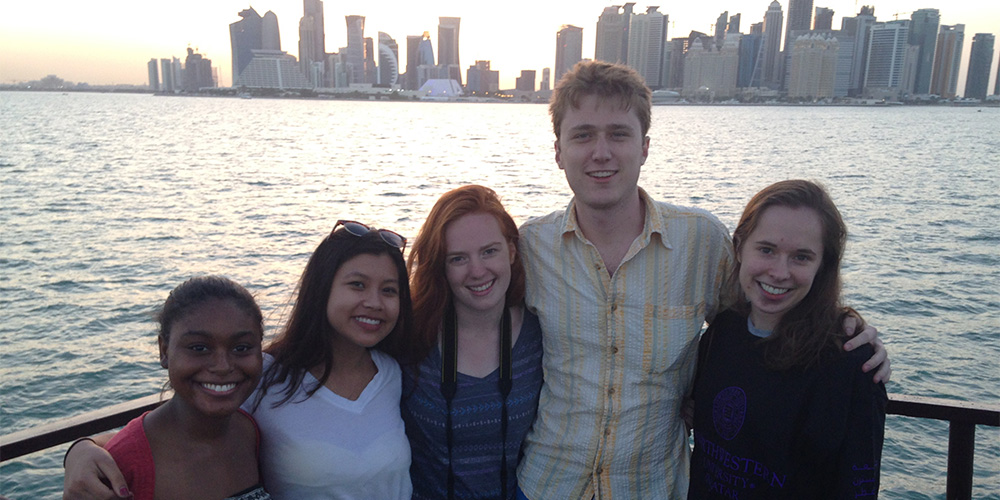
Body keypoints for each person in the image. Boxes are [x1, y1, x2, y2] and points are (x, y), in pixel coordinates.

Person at [514, 61, 891, 499]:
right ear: (558, 151)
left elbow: (769, 305)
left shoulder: (700, 241)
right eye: (582, 135)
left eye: (619, 133)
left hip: (652, 488)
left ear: (645, 147)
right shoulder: (529, 247)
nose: (601, 152)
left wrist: (846, 332)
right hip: (546, 484)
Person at [64, 222, 414, 500]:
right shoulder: (264, 374)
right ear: (323, 289)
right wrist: (83, 449)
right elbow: (178, 428)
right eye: (357, 285)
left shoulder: (397, 374)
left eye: (389, 290)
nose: (375, 302)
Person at [688, 180, 887, 498]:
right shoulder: (722, 332)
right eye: (766, 250)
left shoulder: (851, 363)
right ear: (739, 246)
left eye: (801, 257)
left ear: (823, 265)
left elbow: (858, 486)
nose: (779, 272)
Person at [401, 185, 543, 500]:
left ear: (512, 251)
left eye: (489, 251)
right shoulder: (409, 339)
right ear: (440, 265)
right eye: (458, 258)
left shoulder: (542, 334)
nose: (477, 271)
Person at [74, 275, 271, 500]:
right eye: (199, 348)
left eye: (241, 348)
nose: (223, 366)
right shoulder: (121, 466)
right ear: (164, 351)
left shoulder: (250, 432)